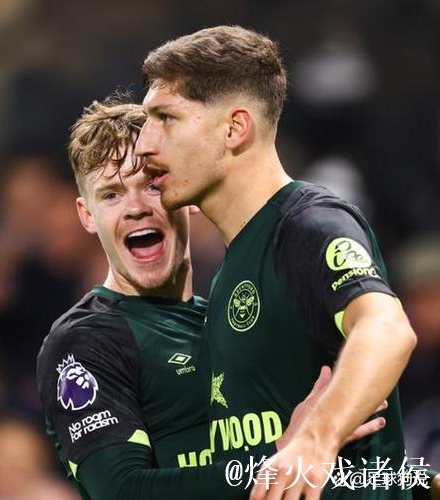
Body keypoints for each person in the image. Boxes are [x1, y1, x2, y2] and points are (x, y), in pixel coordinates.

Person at [135, 25, 436, 499]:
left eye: (165, 118)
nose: (144, 145)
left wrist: (316, 439)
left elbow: (386, 329)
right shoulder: (232, 267)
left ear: (235, 128)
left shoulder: (309, 226)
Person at [36, 98, 387, 500]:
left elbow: (319, 467)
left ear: (183, 192)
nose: (135, 209)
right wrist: (283, 455)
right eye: (111, 195)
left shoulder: (229, 316)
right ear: (87, 215)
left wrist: (417, 484)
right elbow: (124, 491)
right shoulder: (85, 341)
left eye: (151, 186)